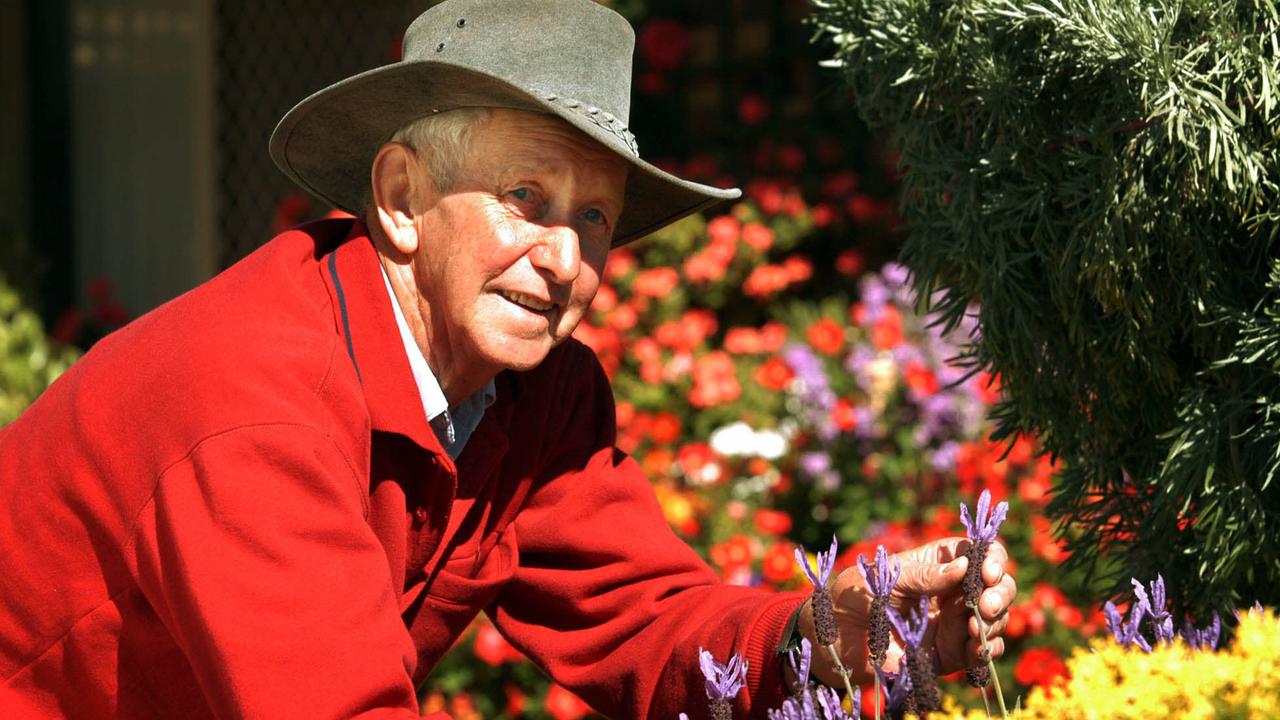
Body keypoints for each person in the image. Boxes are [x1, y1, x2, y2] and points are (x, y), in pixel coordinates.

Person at [0, 0, 1015, 717]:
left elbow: (639, 619)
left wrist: (822, 634)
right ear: (399, 198)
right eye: (524, 199)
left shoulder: (533, 390)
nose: (564, 258)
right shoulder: (255, 395)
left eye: (593, 218)